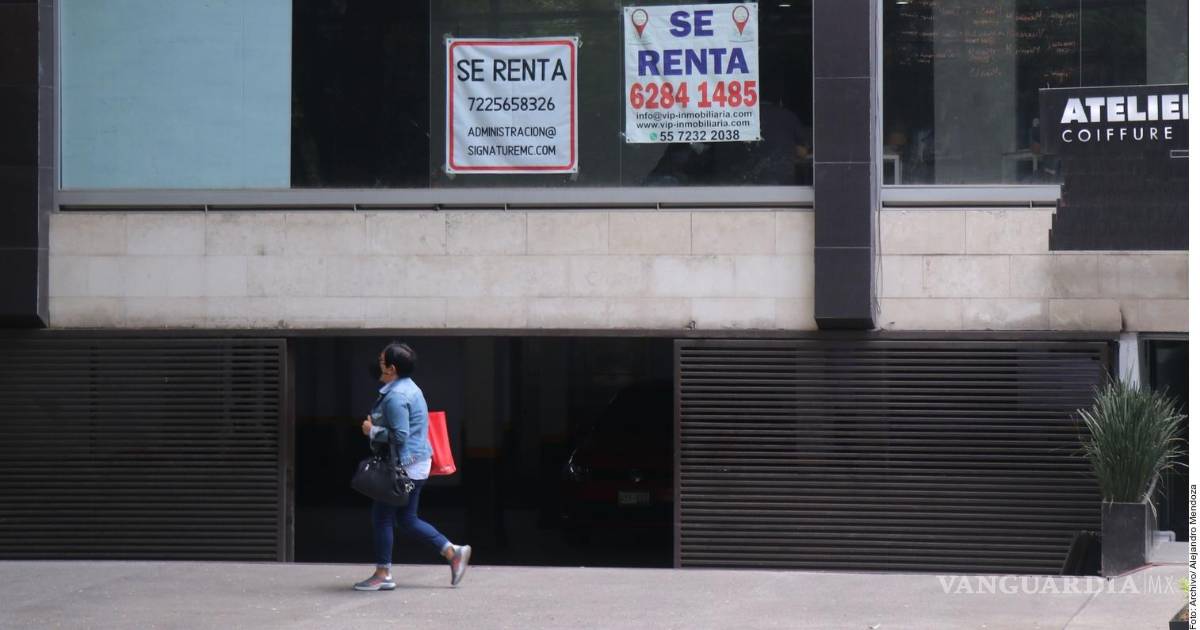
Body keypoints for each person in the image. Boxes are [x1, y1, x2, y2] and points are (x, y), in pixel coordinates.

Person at [354, 341, 471, 591]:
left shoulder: (396, 397)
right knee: (407, 518)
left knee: (382, 517)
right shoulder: (409, 387)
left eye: (382, 360)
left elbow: (400, 435)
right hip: (416, 464)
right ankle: (453, 552)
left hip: (404, 467)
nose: (378, 363)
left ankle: (383, 574)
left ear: (392, 368)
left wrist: (371, 430)